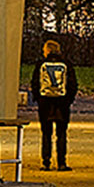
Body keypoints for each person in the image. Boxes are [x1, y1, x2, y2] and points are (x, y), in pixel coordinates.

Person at [31, 36, 77, 170]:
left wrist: (38, 99)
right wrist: (68, 100)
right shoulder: (66, 64)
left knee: (46, 133)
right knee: (61, 134)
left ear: (48, 50)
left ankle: (46, 162)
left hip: (45, 103)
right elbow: (72, 84)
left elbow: (35, 83)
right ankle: (61, 162)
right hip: (62, 104)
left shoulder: (41, 64)